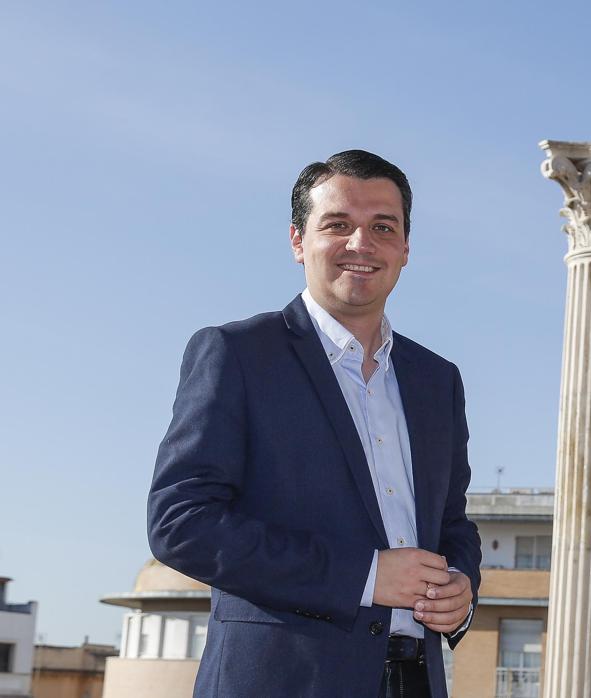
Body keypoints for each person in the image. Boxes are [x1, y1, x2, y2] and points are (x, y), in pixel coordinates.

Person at [148, 149, 481, 698]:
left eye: (382, 227)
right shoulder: (238, 354)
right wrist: (367, 576)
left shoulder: (437, 380)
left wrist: (461, 587)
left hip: (414, 681)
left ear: (404, 249)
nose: (361, 244)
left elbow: (453, 524)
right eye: (338, 225)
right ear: (299, 241)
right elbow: (181, 523)